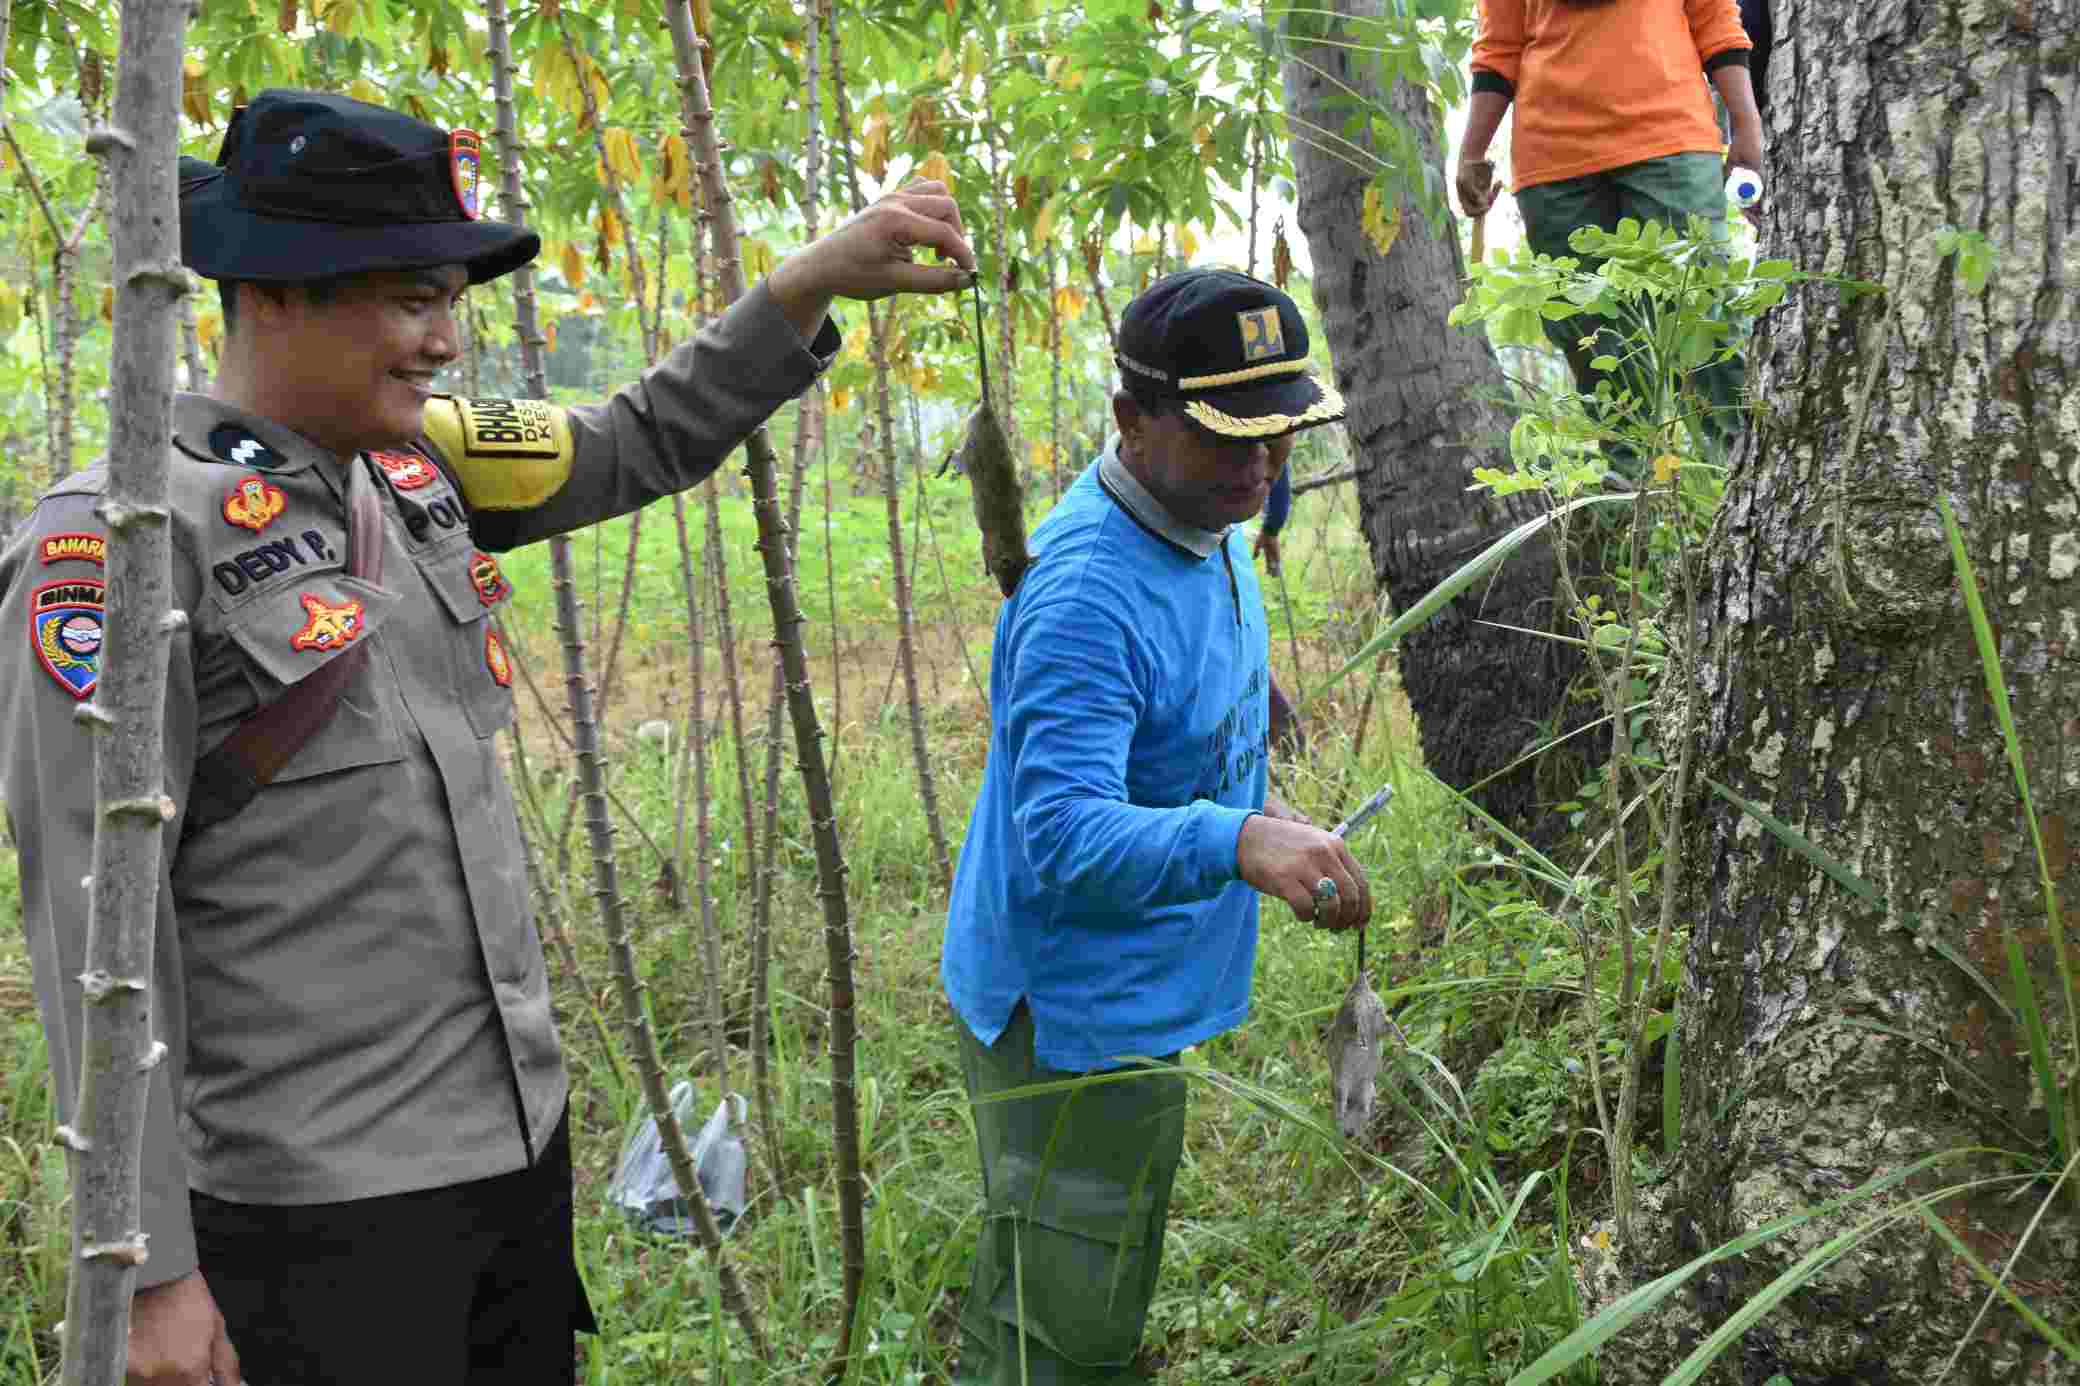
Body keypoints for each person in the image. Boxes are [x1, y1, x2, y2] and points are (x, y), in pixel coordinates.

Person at [0, 88, 973, 1386]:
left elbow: (637, 438)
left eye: (451, 299)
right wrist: (145, 1267)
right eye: (413, 300)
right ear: (272, 292)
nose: (445, 340)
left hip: (513, 1161)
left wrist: (808, 281)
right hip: (311, 1211)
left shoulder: (424, 469)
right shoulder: (120, 541)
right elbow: (91, 926)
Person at [939, 267, 1374, 1385]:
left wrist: (1261, 798)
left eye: (1276, 433)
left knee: (1099, 1260)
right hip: (1069, 1011)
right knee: (1058, 1311)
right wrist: (1240, 842)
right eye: (1226, 435)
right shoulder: (1088, 595)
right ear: (1131, 421)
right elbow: (1064, 835)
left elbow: (1175, 721)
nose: (1260, 465)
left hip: (1138, 985)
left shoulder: (1205, 519)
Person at [1455, 0, 1763, 458]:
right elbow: (1499, 47)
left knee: (1700, 317)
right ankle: (1633, 487)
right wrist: (1471, 153)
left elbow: (1713, 15)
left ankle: (1731, 477)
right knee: (1596, 347)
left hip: (1671, 142)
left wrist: (1746, 123)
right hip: (1554, 167)